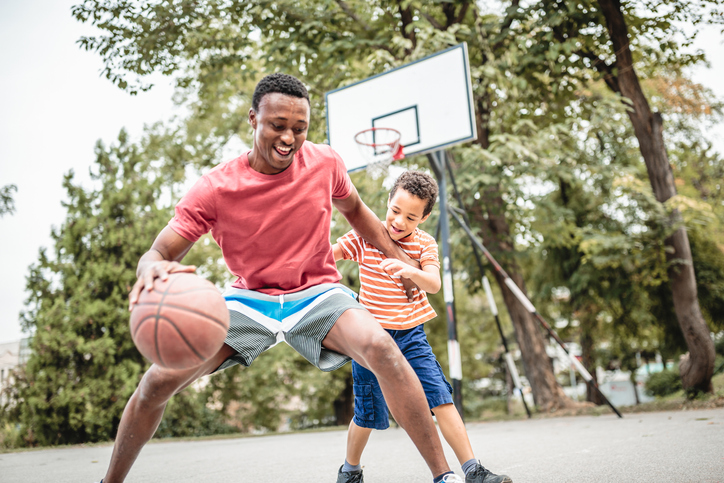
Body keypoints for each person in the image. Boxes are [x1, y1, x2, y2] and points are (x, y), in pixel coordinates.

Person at [97, 73, 461, 483]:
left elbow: (358, 212)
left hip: (318, 291)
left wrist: (400, 262)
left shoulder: (324, 163)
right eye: (278, 126)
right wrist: (149, 269)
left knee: (382, 348)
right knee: (156, 382)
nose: (289, 138)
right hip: (250, 297)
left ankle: (443, 477)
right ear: (253, 119)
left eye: (299, 128)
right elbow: (160, 250)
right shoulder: (216, 188)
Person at [332, 171, 512, 483]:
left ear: (424, 218)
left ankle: (473, 470)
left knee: (441, 398)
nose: (399, 221)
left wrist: (405, 267)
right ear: (388, 202)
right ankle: (350, 470)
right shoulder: (364, 237)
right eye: (395, 211)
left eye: (411, 217)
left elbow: (433, 283)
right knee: (367, 413)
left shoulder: (423, 244)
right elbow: (327, 256)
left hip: (411, 336)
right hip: (370, 340)